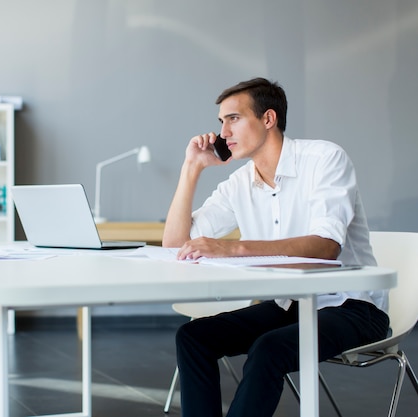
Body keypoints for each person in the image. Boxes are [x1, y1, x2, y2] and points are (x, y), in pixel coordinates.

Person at [162, 77, 389, 417]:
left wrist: (234, 249)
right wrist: (191, 168)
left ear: (268, 119)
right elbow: (175, 244)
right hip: (291, 304)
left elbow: (326, 247)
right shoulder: (239, 183)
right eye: (221, 122)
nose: (223, 133)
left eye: (233, 119)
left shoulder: (325, 159)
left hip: (352, 306)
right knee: (193, 337)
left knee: (269, 347)